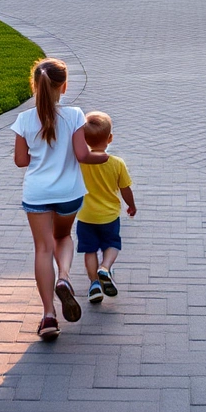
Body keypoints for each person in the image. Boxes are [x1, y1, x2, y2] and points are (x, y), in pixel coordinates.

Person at [11, 58, 108, 341]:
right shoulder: (76, 114)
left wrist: (38, 156)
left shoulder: (24, 120)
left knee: (42, 249)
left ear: (35, 86)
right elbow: (82, 155)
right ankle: (64, 275)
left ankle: (48, 316)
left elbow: (20, 161)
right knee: (63, 237)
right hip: (68, 192)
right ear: (63, 87)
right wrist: (104, 156)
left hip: (37, 193)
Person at [75, 111, 136, 305]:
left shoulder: (81, 161)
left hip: (85, 215)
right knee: (112, 244)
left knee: (89, 250)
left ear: (84, 139)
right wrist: (131, 206)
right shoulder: (116, 163)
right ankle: (105, 268)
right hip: (109, 216)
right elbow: (125, 189)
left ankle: (94, 284)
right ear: (110, 138)